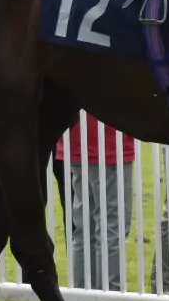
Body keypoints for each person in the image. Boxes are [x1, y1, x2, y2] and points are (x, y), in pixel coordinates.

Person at [52, 113, 136, 292]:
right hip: (108, 142)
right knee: (112, 226)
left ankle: (82, 293)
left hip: (75, 139)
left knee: (84, 227)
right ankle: (110, 295)